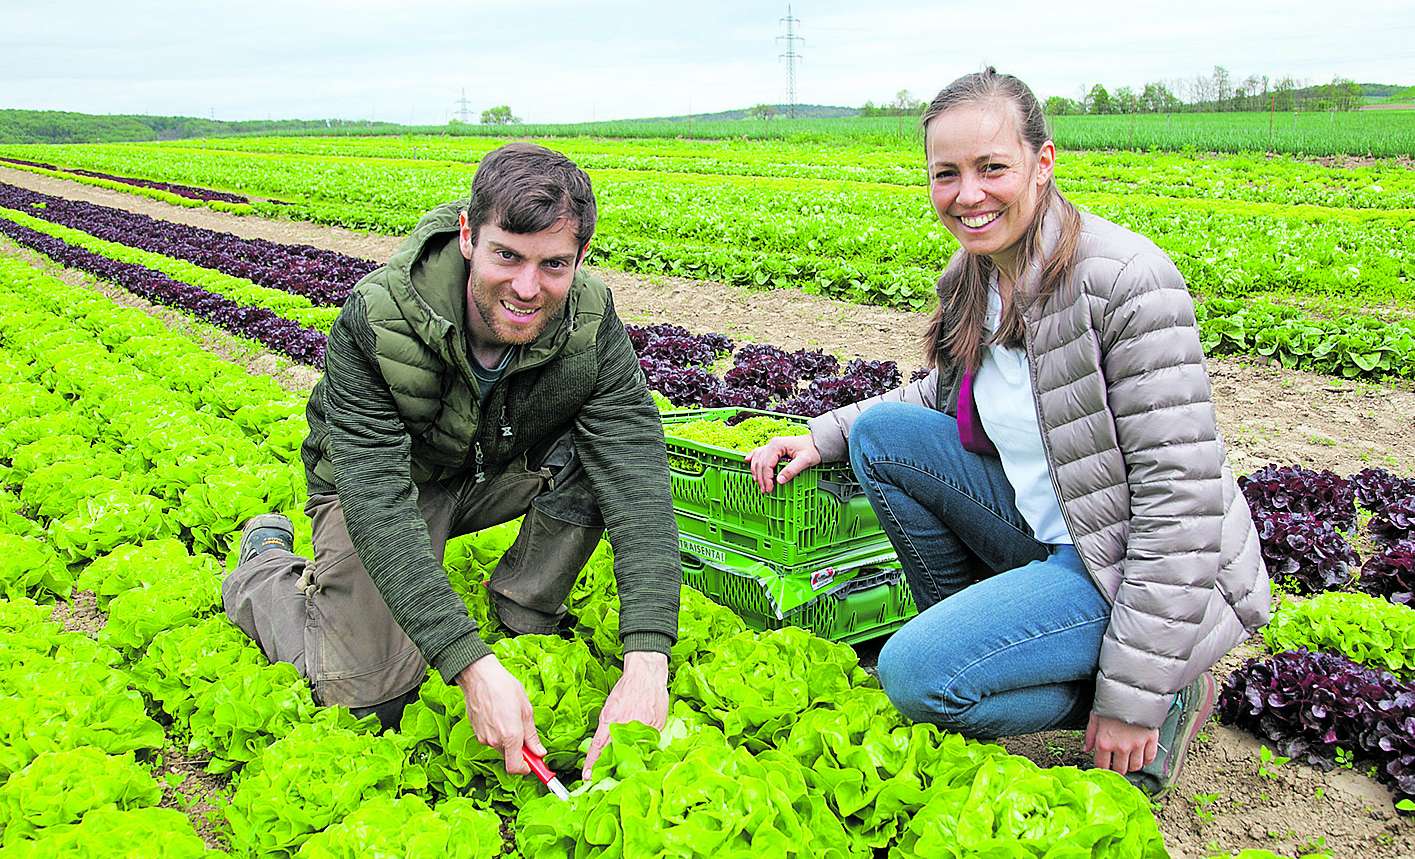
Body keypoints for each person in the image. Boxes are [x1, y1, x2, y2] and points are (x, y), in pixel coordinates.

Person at [746, 68, 1270, 798]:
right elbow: (946, 392)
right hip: (1052, 531)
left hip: (1124, 563)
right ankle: (985, 643)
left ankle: (1164, 694)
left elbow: (1179, 511)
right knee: (886, 435)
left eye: (992, 167)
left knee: (912, 676)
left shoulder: (1125, 282)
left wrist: (1131, 698)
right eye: (946, 173)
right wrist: (823, 434)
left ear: (1042, 162)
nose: (968, 194)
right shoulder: (975, 275)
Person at [224, 143, 680, 781]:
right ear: (469, 235)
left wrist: (647, 661)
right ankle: (264, 568)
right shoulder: (377, 320)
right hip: (384, 490)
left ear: (579, 259)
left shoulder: (591, 321)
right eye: (507, 255)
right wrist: (467, 663)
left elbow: (637, 476)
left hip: (492, 473)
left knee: (601, 453)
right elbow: (377, 502)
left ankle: (524, 612)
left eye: (554, 264)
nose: (528, 287)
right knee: (372, 699)